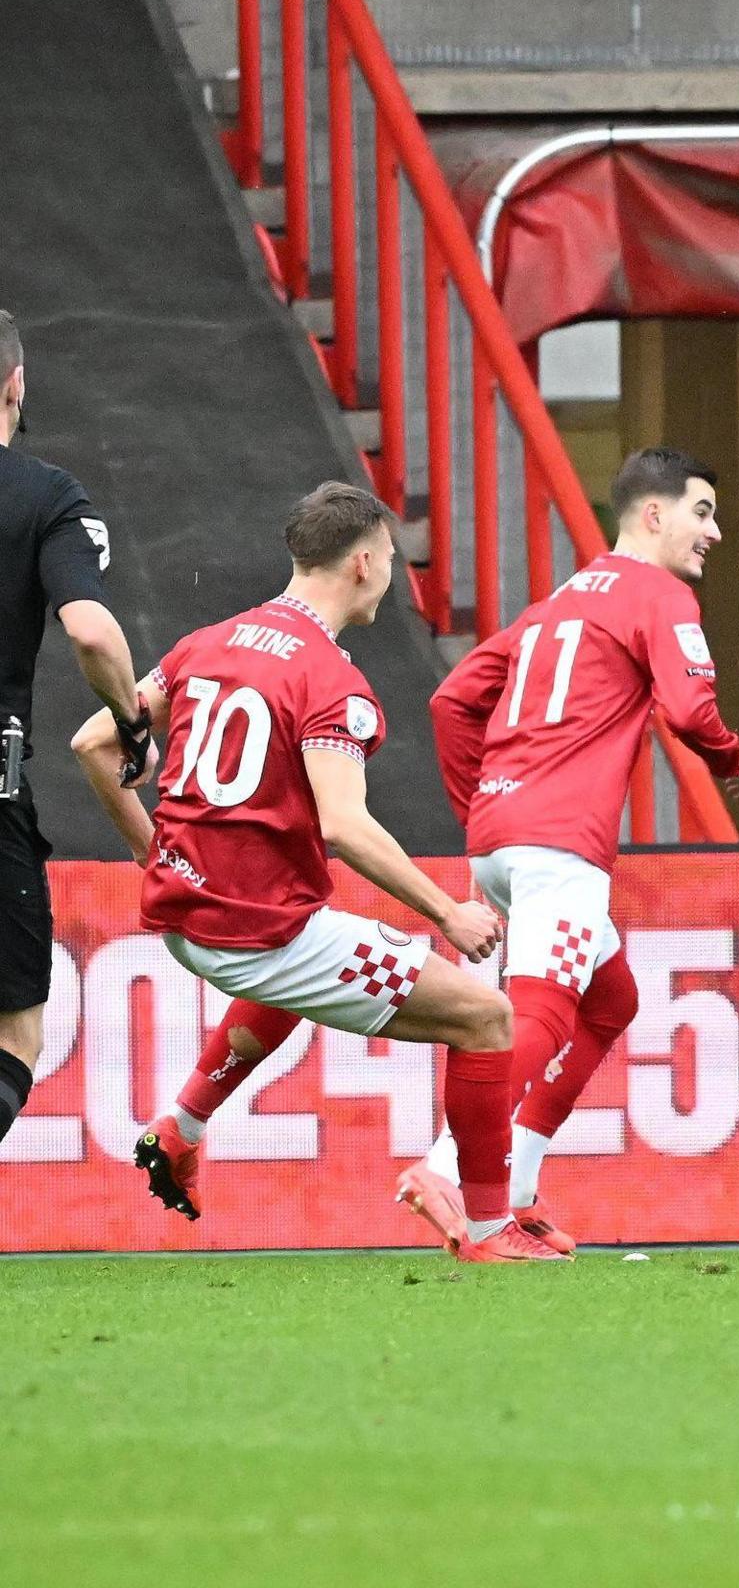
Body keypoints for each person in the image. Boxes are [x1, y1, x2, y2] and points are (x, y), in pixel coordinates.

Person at [166, 448, 739, 1255]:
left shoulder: (555, 605)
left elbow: (453, 701)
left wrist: (484, 806)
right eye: (702, 512)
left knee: (610, 1001)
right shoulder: (660, 594)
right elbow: (689, 712)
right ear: (652, 516)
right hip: (561, 845)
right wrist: (733, 760)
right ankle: (452, 1173)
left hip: (500, 840)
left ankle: (514, 1186)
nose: (712, 533)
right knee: (524, 1013)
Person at [63, 484, 557, 1263]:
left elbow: (94, 741)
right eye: (390, 559)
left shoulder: (207, 643)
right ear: (363, 563)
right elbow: (344, 825)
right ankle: (492, 1232)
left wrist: (149, 850)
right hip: (258, 930)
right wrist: (448, 914)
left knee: (303, 967)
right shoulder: (332, 682)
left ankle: (181, 1126)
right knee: (486, 1018)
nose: (390, 573)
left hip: (190, 915)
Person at [0, 310, 141, 1153]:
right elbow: (91, 630)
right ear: (16, 384)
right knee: (16, 1032)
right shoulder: (45, 497)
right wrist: (131, 720)